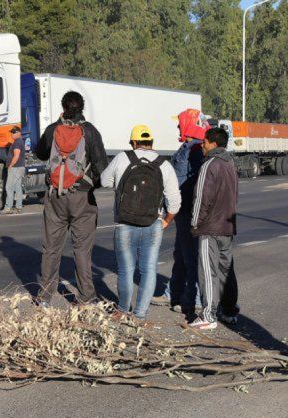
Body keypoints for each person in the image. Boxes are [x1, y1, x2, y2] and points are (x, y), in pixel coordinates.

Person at [33, 91, 108, 305]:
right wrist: (90, 186)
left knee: (51, 248)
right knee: (82, 249)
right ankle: (86, 297)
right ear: (82, 107)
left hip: (55, 196)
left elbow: (40, 153)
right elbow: (102, 168)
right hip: (82, 196)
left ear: (63, 107)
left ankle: (44, 297)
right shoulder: (90, 131)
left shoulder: (52, 129)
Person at [100, 125, 181, 320]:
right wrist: (166, 221)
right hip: (153, 224)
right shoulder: (164, 164)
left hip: (125, 223)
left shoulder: (122, 158)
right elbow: (175, 201)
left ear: (134, 142)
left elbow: (104, 181)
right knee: (149, 270)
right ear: (151, 142)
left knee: (126, 271)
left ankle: (123, 309)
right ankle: (140, 315)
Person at [151, 109, 209, 315]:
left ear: (189, 125)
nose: (178, 127)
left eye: (180, 123)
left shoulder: (195, 149)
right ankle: (173, 293)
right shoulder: (190, 147)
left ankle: (195, 298)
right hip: (182, 209)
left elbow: (190, 181)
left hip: (188, 209)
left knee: (191, 255)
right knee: (181, 253)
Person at [189, 127, 239, 330]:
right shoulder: (230, 163)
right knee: (226, 270)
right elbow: (234, 195)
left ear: (213, 143)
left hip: (209, 227)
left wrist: (195, 223)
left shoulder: (209, 164)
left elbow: (201, 198)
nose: (202, 145)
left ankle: (208, 315)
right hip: (227, 225)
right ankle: (229, 311)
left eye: (204, 142)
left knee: (208, 271)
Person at [0, 126, 26, 215]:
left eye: (14, 132)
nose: (12, 134)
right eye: (11, 132)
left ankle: (8, 208)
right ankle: (18, 207)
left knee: (9, 187)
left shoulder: (17, 143)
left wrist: (10, 165)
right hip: (20, 167)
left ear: (18, 133)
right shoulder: (20, 141)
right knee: (18, 188)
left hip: (15, 168)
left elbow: (16, 155)